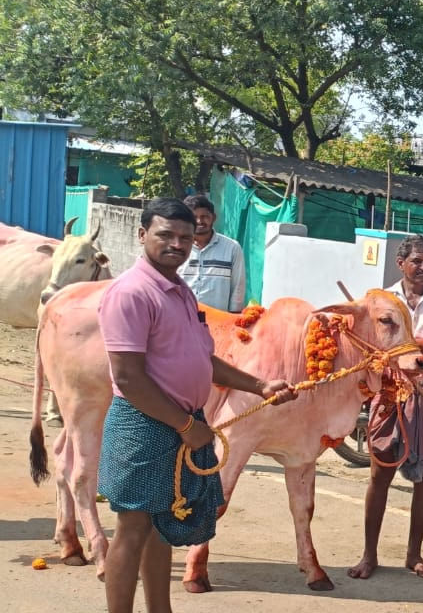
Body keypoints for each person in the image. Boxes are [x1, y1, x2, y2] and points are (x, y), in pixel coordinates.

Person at [98, 198, 295, 613]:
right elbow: (130, 378)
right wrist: (187, 426)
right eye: (165, 235)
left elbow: (202, 360)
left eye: (185, 237)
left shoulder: (180, 290)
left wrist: (260, 385)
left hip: (181, 421)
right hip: (144, 424)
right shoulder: (131, 293)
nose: (177, 244)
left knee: (161, 526)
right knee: (133, 526)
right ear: (142, 235)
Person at [348, 235, 423, 580]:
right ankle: (369, 555)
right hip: (388, 391)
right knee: (379, 472)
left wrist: (398, 348)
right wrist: (400, 353)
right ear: (401, 263)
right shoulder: (379, 300)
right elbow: (368, 343)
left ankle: (414, 555)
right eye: (417, 261)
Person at [177, 194, 247, 312]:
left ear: (213, 218)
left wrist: (234, 316)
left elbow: (238, 286)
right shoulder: (178, 247)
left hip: (219, 322)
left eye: (205, 216)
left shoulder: (232, 248)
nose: (199, 221)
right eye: (194, 217)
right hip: (182, 319)